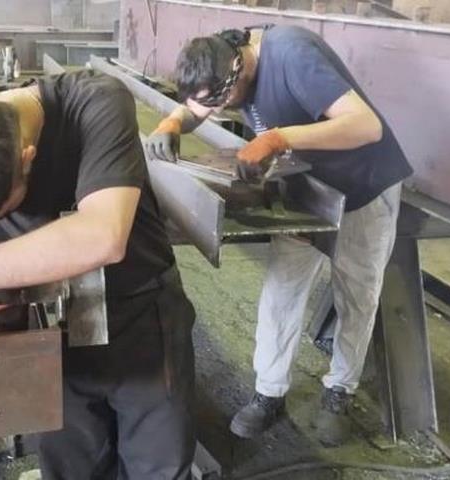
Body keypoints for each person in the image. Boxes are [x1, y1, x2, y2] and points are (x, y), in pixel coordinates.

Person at [0, 70, 197, 479]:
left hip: (141, 315)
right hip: (52, 328)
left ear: (28, 158)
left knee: (157, 465)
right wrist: (1, 303)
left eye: (1, 213)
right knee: (71, 464)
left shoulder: (95, 102)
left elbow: (103, 236)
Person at [145, 25, 412, 446]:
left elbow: (366, 126)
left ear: (238, 68)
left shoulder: (291, 54)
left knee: (357, 295)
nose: (217, 110)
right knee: (281, 290)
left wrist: (276, 138)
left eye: (222, 101)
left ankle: (339, 392)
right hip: (308, 185)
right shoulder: (222, 59)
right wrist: (173, 122)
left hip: (364, 184)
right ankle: (269, 393)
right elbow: (198, 106)